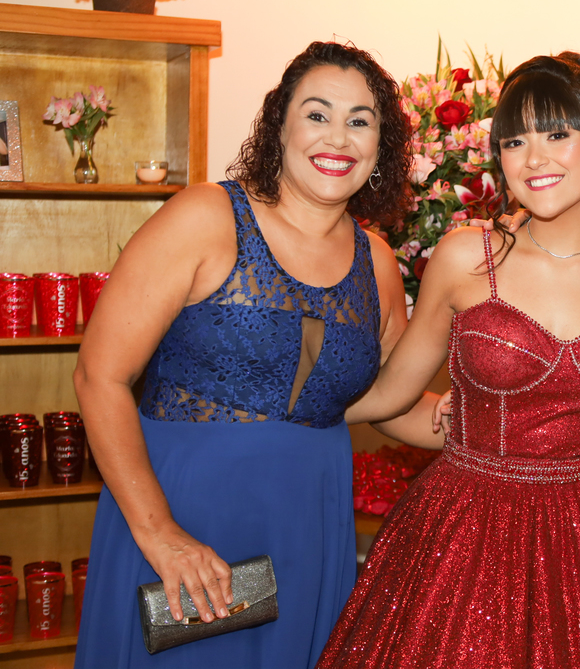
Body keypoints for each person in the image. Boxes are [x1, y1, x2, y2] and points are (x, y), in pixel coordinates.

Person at [317, 52, 580, 668]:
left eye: (557, 135)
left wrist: (577, 456)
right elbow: (390, 395)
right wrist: (282, 406)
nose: (534, 158)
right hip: (465, 527)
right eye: (515, 141)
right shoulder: (466, 256)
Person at [73, 41, 415, 668]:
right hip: (181, 517)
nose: (337, 137)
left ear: (380, 145)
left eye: (360, 121)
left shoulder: (379, 263)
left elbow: (389, 400)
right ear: (279, 125)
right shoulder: (206, 215)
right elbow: (100, 374)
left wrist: (512, 416)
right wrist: (161, 534)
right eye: (317, 114)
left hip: (308, 524)